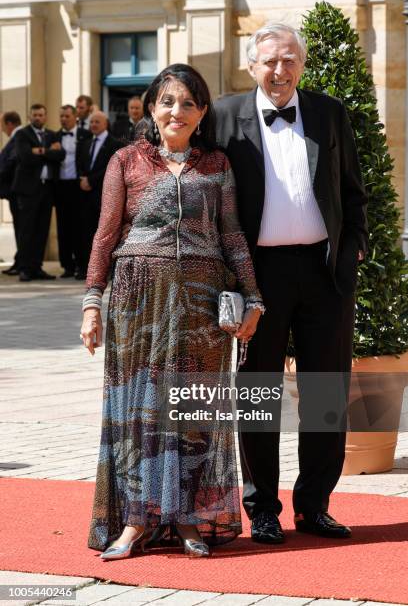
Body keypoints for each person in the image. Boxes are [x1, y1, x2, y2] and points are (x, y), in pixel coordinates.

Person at [80, 63, 264, 560]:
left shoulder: (218, 165)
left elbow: (232, 236)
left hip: (202, 307)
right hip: (138, 301)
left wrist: (254, 296)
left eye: (187, 103)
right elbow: (105, 234)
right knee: (138, 413)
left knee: (192, 412)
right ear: (151, 107)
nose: (176, 111)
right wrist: (92, 302)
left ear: (202, 112)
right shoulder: (125, 161)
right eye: (167, 101)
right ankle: (135, 523)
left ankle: (187, 519)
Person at [215, 23, 368, 543]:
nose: (279, 71)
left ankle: (314, 505)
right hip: (258, 277)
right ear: (251, 66)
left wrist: (349, 259)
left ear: (301, 64)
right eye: (269, 62)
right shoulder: (222, 117)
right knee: (257, 394)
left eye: (288, 61)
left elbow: (354, 194)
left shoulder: (329, 113)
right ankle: (261, 509)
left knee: (327, 393)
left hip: (324, 276)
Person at [13, 103, 65, 282]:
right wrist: (49, 151)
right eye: (34, 115)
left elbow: (61, 155)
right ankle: (25, 268)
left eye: (41, 115)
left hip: (47, 189)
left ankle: (37, 267)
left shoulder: (51, 134)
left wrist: (41, 151)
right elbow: (25, 156)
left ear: (45, 116)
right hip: (28, 190)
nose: (38, 118)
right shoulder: (22, 134)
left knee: (42, 230)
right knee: (27, 230)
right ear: (30, 117)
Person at [76, 111, 121, 279]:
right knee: (86, 233)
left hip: (104, 195)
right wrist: (83, 179)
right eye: (91, 122)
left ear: (105, 123)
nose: (93, 124)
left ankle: (107, 269)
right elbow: (79, 164)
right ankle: (89, 269)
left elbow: (111, 168)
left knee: (105, 234)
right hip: (85, 197)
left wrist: (91, 181)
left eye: (97, 122)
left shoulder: (114, 144)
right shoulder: (85, 143)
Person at [55, 105, 92, 278]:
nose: (63, 119)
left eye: (67, 116)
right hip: (60, 186)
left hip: (78, 186)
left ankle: (81, 264)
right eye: (61, 116)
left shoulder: (86, 135)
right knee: (63, 227)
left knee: (80, 226)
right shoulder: (54, 136)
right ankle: (67, 265)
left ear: (75, 117)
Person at [0, 111, 23, 275]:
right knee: (19, 227)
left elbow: (11, 162)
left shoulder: (19, 136)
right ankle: (19, 260)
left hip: (17, 191)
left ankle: (22, 262)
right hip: (13, 191)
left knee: (22, 228)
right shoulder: (16, 137)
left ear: (9, 123)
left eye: (2, 124)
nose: (1, 128)